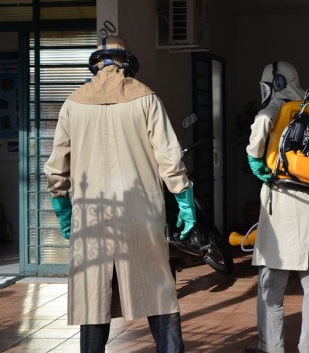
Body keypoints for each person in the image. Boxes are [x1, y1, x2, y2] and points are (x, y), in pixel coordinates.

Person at [44, 35, 196, 353]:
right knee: (159, 294)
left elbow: (56, 168)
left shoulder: (73, 104)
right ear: (127, 61)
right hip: (142, 215)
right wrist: (184, 203)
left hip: (92, 216)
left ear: (97, 63)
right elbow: (170, 159)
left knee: (93, 301)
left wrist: (64, 212)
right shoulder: (147, 99)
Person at [243, 61, 309, 353]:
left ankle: (272, 347)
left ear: (276, 84)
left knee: (272, 290)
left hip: (281, 210)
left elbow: (260, 126)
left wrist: (255, 159)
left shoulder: (276, 110)